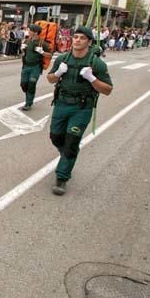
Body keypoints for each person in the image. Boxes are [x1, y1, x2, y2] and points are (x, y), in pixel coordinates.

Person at [46, 26, 113, 195]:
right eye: (75, 37)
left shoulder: (96, 63)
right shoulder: (62, 58)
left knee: (71, 143)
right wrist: (58, 73)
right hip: (61, 104)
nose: (77, 40)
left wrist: (92, 78)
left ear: (89, 42)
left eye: (82, 38)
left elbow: (107, 89)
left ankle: (62, 177)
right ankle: (68, 153)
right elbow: (50, 78)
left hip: (81, 108)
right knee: (55, 136)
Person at [19, 24, 50, 111]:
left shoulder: (43, 43)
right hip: (26, 66)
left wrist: (42, 52)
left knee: (31, 85)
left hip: (36, 67)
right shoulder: (26, 41)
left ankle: (28, 103)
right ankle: (29, 95)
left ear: (36, 32)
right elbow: (23, 54)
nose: (28, 31)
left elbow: (50, 55)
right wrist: (22, 49)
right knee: (24, 85)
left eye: (30, 30)